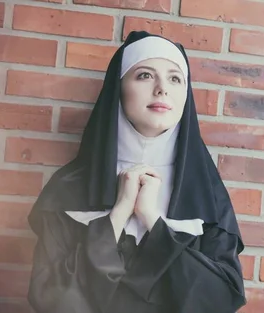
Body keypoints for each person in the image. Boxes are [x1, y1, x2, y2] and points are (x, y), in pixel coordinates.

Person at [26, 31, 247, 313]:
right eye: (145, 75)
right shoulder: (67, 187)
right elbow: (48, 296)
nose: (162, 89)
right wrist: (117, 216)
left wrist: (153, 221)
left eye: (175, 78)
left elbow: (220, 300)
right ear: (118, 88)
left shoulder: (209, 195)